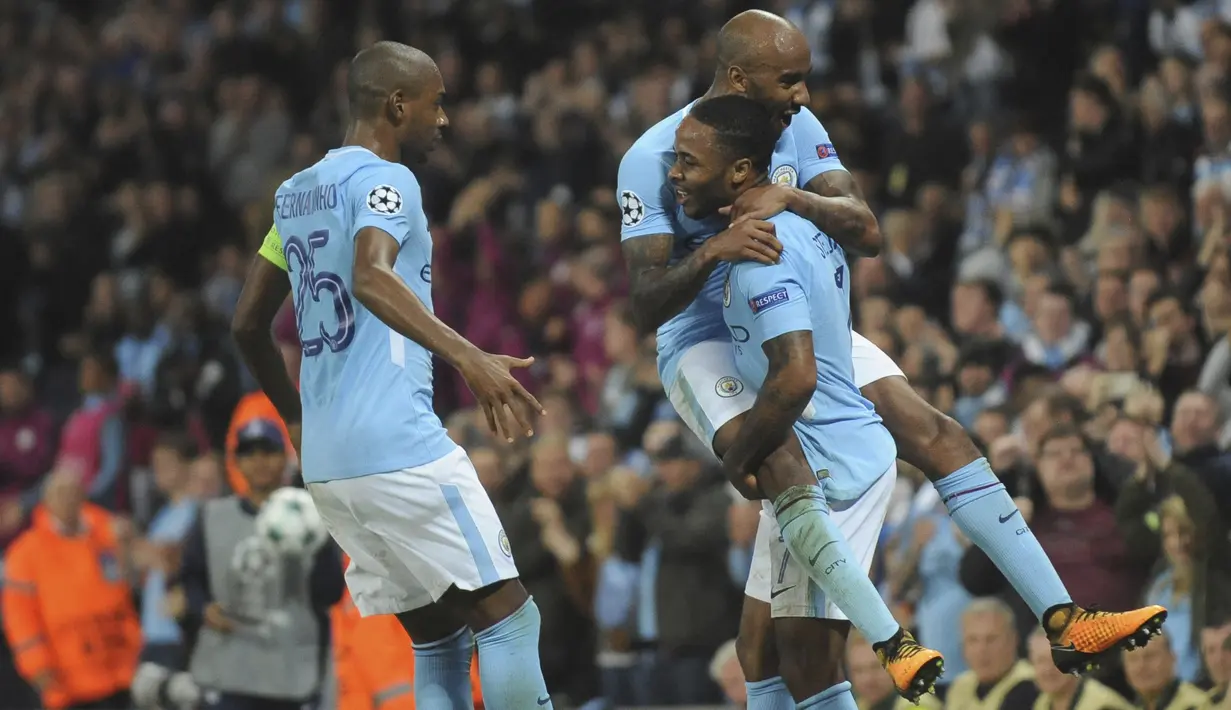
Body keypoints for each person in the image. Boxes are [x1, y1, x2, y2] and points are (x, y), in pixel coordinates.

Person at [617, 9, 1168, 706]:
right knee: (783, 486)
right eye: (787, 80)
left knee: (933, 430)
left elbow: (866, 229)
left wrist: (790, 197)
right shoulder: (655, 155)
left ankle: (1063, 618)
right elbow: (644, 305)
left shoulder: (793, 132)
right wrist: (713, 250)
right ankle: (888, 639)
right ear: (736, 77)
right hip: (708, 341)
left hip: (798, 319)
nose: (802, 95)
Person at [229, 41, 552, 709]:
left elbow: (245, 326)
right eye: (435, 105)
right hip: (395, 445)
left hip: (328, 463)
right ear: (396, 104)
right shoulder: (389, 178)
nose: (443, 120)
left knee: (437, 639)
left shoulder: (295, 194)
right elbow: (371, 275)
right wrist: (471, 358)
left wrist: (294, 416)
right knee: (511, 618)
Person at [672, 94, 930, 708]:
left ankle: (892, 640)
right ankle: (894, 639)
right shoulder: (812, 224)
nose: (672, 174)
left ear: (738, 172)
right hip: (839, 443)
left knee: (807, 660)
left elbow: (796, 377)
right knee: (756, 652)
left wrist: (737, 461)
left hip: (829, 462)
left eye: (686, 161)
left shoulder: (761, 251)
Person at [182, 419, 345, 710]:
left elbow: (331, 592)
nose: (259, 462)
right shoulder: (213, 518)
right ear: (236, 462)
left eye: (268, 452)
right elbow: (189, 578)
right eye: (249, 453)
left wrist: (309, 550)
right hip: (233, 669)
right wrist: (203, 608)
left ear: (285, 457)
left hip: (293, 670)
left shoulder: (310, 515)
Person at [2, 468, 142, 710]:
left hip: (122, 666)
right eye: (60, 493)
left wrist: (129, 548)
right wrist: (35, 665)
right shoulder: (26, 553)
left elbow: (134, 585)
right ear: (47, 501)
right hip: (67, 676)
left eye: (72, 492)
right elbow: (19, 616)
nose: (67, 500)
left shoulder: (108, 532)